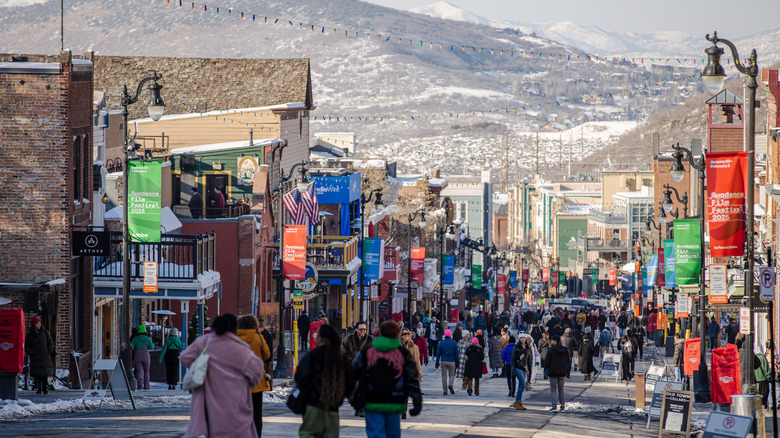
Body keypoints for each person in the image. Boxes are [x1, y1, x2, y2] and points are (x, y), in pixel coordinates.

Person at [180, 314, 263, 437]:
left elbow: (185, 358)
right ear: (234, 328)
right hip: (235, 407)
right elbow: (256, 371)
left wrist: (203, 367)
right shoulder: (240, 349)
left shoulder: (204, 343)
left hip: (208, 405)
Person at [352, 320, 422, 438]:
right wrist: (417, 400)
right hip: (394, 401)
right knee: (393, 434)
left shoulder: (368, 351)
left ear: (380, 333)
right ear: (396, 334)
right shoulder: (403, 353)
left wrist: (354, 396)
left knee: (375, 434)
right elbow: (412, 377)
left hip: (371, 400)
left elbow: (353, 371)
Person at [296, 324, 353, 438]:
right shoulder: (341, 358)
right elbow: (350, 382)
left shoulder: (312, 356)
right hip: (332, 407)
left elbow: (299, 377)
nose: (315, 337)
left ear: (321, 338)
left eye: (317, 335)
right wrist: (339, 397)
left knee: (309, 434)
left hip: (313, 406)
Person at [237, 315, 271, 437]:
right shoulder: (259, 338)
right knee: (257, 412)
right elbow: (267, 355)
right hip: (257, 380)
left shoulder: (235, 339)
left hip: (239, 381)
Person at [343, 321, 373, 417]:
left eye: (364, 329)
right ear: (356, 329)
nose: (363, 331)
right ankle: (357, 406)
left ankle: (361, 408)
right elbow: (342, 353)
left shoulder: (371, 340)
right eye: (361, 329)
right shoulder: (348, 339)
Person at [25, 316, 54, 395]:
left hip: (45, 356)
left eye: (39, 323)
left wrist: (49, 350)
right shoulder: (30, 334)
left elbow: (50, 341)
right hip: (36, 357)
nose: (39, 325)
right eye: (37, 324)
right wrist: (31, 352)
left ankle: (45, 388)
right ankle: (38, 388)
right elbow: (27, 346)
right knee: (37, 375)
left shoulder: (44, 332)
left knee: (45, 374)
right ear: (34, 325)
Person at [544, 336, 570, 412]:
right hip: (562, 372)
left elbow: (547, 362)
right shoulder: (565, 350)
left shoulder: (551, 350)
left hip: (553, 372)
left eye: (551, 340)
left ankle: (554, 406)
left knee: (553, 390)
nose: (550, 341)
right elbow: (567, 361)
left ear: (555, 341)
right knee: (561, 390)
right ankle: (562, 407)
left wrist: (547, 369)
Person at [436, 328, 459, 396]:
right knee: (452, 375)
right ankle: (450, 384)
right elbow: (456, 353)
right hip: (452, 361)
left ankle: (445, 390)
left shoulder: (441, 342)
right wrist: (457, 362)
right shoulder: (454, 342)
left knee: (444, 376)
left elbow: (438, 353)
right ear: (450, 335)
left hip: (443, 360)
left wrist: (437, 361)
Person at [510, 336, 531, 410]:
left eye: (524, 338)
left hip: (524, 368)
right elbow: (512, 359)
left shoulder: (527, 348)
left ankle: (519, 402)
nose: (522, 339)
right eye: (521, 338)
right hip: (518, 368)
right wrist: (512, 370)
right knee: (523, 385)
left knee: (520, 386)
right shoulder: (516, 347)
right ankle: (516, 401)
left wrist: (529, 372)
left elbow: (529, 361)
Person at [131, 324, 153, 390]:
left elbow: (132, 347)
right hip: (146, 356)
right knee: (146, 371)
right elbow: (152, 347)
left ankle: (139, 384)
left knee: (139, 371)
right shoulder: (148, 339)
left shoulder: (135, 339)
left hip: (137, 355)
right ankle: (146, 385)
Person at [258, 320, 275, 386]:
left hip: (266, 359)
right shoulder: (259, 335)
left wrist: (269, 358)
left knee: (267, 375)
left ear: (262, 327)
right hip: (262, 358)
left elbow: (268, 348)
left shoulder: (267, 335)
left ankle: (268, 386)